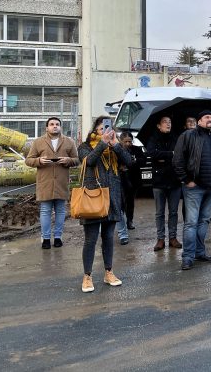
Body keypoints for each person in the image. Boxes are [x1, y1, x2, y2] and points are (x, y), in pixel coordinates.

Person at [77, 116, 132, 293]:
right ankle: (87, 276)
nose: (105, 132)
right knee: (91, 239)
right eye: (102, 129)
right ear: (95, 130)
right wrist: (102, 144)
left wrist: (115, 144)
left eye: (107, 128)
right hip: (93, 197)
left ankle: (109, 272)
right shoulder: (85, 147)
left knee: (108, 238)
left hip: (113, 198)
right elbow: (90, 161)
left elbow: (129, 162)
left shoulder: (115, 147)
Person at [173, 110, 211, 270]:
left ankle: (199, 252)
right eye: (207, 117)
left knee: (204, 221)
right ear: (199, 121)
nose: (210, 119)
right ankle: (188, 257)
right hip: (194, 187)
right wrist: (186, 179)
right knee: (191, 223)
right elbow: (178, 160)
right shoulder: (189, 136)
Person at [26, 117, 79, 249]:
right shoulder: (38, 142)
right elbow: (28, 160)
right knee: (45, 210)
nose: (55, 126)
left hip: (61, 181)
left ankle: (58, 237)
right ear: (46, 128)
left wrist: (68, 160)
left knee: (61, 211)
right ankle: (45, 238)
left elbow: (77, 160)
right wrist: (39, 161)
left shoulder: (69, 142)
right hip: (45, 182)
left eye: (57, 124)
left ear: (60, 127)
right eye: (52, 124)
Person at [146, 115, 182, 251]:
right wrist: (170, 154)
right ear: (158, 125)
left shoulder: (176, 137)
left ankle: (173, 237)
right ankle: (160, 239)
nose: (168, 124)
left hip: (174, 180)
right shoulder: (153, 138)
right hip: (158, 181)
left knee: (173, 212)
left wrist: (164, 156)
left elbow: (179, 154)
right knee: (159, 212)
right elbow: (152, 153)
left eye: (170, 121)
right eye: (165, 122)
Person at [116, 132, 142, 245]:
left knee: (130, 201)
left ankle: (129, 220)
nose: (128, 143)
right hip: (120, 179)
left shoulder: (137, 149)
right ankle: (121, 222)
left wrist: (133, 162)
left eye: (130, 141)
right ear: (121, 141)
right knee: (120, 202)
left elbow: (142, 160)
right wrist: (120, 167)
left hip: (133, 179)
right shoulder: (117, 150)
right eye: (125, 141)